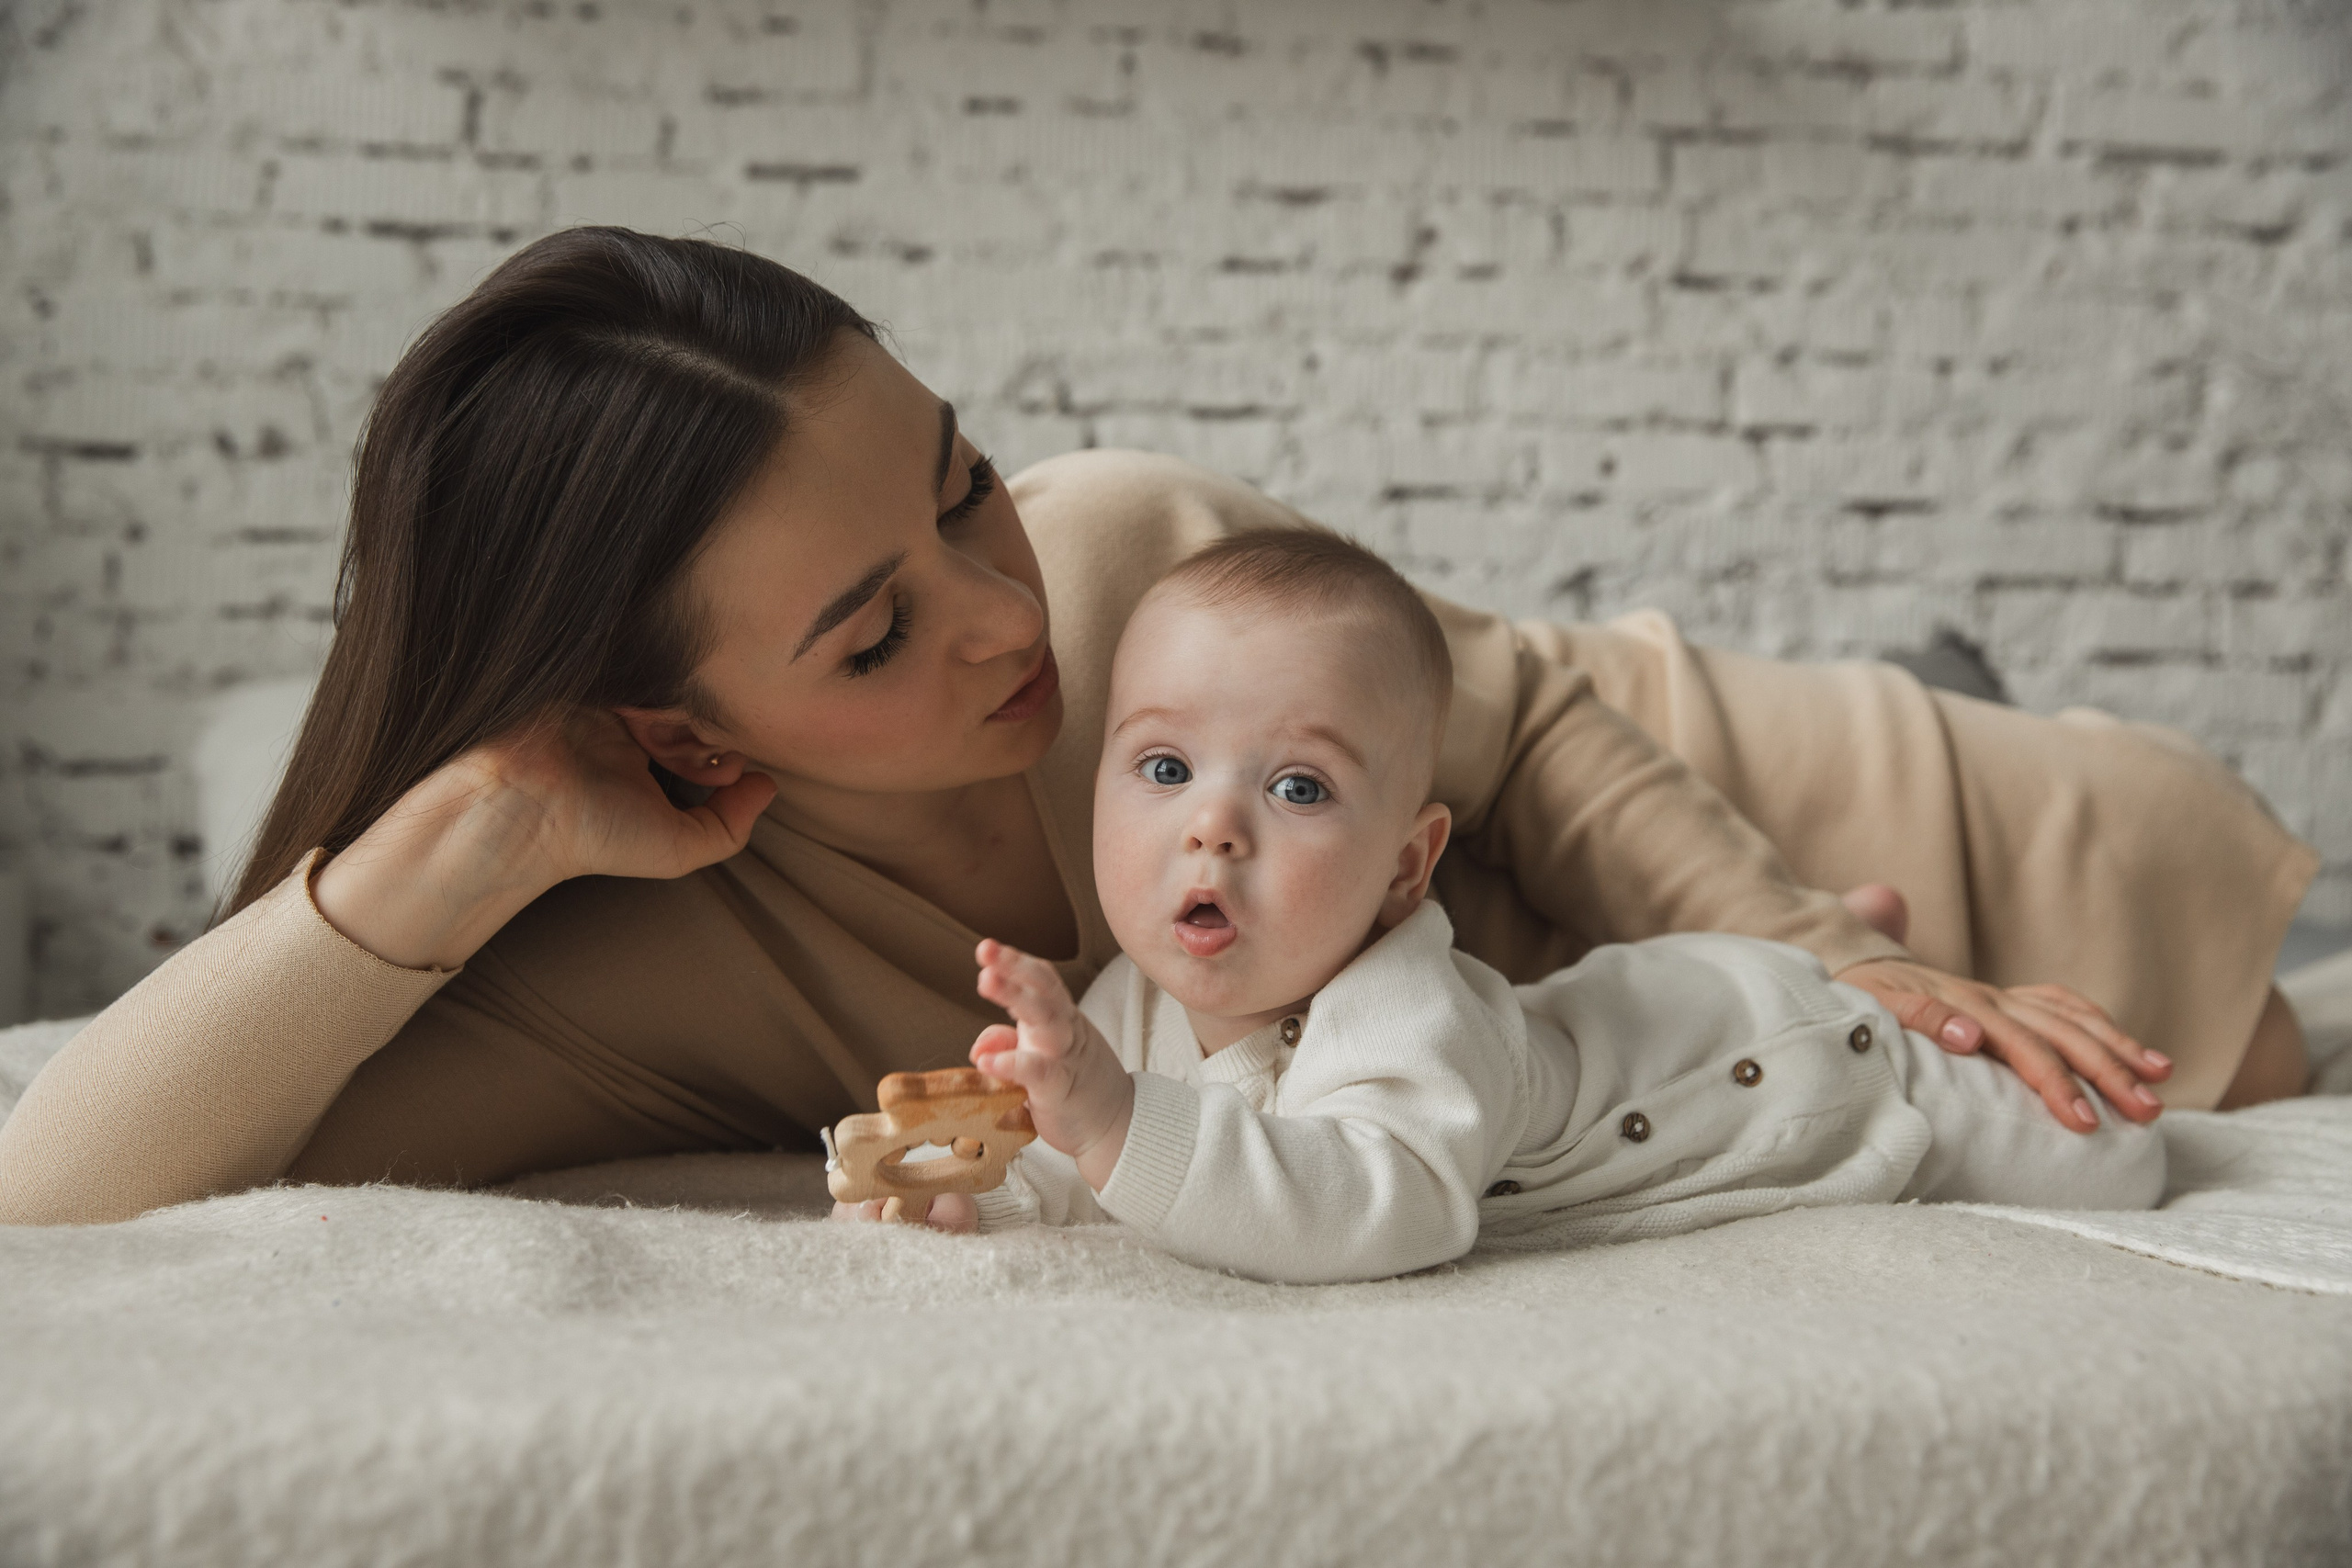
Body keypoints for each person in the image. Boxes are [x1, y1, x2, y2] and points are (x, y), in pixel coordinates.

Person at [0, 229, 2315, 1228]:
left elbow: (1519, 711)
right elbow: (55, 1188)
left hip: (1749, 849)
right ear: (653, 718)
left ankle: (1952, 675)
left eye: (957, 477)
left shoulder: (1114, 553)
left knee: (2242, 1040)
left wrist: (1836, 948)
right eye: (871, 630)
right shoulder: (617, 942)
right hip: (1607, 1065)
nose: (1006, 614)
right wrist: (476, 832)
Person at [843, 531, 2165, 1282]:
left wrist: (1120, 1118)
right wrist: (989, 1192)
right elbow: (1126, 1181)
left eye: (1298, 786)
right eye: (1166, 767)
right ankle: (1837, 930)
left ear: (1409, 869)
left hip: (1791, 1062)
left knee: (2115, 1151)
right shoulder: (1132, 1003)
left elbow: (1378, 1203)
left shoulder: (1406, 1004)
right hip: (1653, 994)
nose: (1213, 823)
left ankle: (1883, 950)